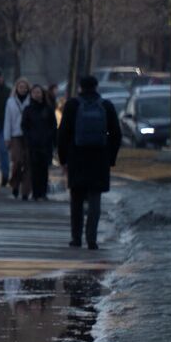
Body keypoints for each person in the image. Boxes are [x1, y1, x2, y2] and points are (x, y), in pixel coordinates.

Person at [58, 75, 123, 249]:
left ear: (80, 86)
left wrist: (63, 159)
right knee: (95, 199)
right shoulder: (106, 106)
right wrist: (111, 158)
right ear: (96, 86)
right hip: (99, 159)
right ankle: (92, 239)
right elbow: (116, 134)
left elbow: (63, 134)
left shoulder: (72, 105)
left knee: (76, 199)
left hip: (76, 158)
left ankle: (76, 238)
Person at [21, 84, 58, 200]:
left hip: (46, 143)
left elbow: (53, 125)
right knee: (34, 169)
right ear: (31, 95)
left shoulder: (48, 109)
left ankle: (43, 192)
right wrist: (29, 138)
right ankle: (36, 193)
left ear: (42, 94)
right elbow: (24, 126)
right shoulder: (28, 110)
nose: (37, 94)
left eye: (38, 92)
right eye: (34, 92)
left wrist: (52, 138)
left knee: (44, 169)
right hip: (33, 144)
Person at [4, 78, 34, 199]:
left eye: (25, 87)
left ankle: (26, 191)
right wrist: (7, 137)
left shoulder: (31, 101)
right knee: (17, 161)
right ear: (16, 88)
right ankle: (15, 184)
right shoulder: (10, 102)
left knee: (28, 163)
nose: (23, 89)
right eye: (20, 87)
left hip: (28, 135)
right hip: (15, 135)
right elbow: (7, 120)